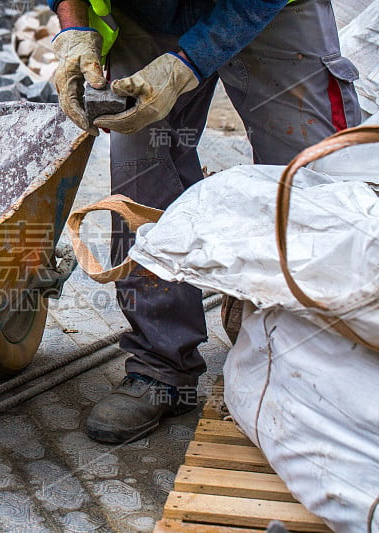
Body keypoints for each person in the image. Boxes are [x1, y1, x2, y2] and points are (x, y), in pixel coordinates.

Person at [50, 0, 361, 444]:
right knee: (141, 168)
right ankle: (161, 366)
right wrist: (72, 29)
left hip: (270, 10)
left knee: (317, 181)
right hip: (151, 14)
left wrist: (186, 66)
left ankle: (322, 365)